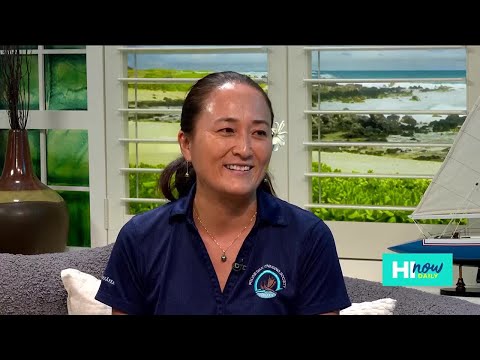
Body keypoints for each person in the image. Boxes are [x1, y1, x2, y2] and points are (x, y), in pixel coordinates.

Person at [95, 71, 351, 315]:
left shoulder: (309, 238)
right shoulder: (141, 239)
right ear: (186, 144)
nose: (245, 148)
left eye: (259, 133)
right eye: (227, 130)